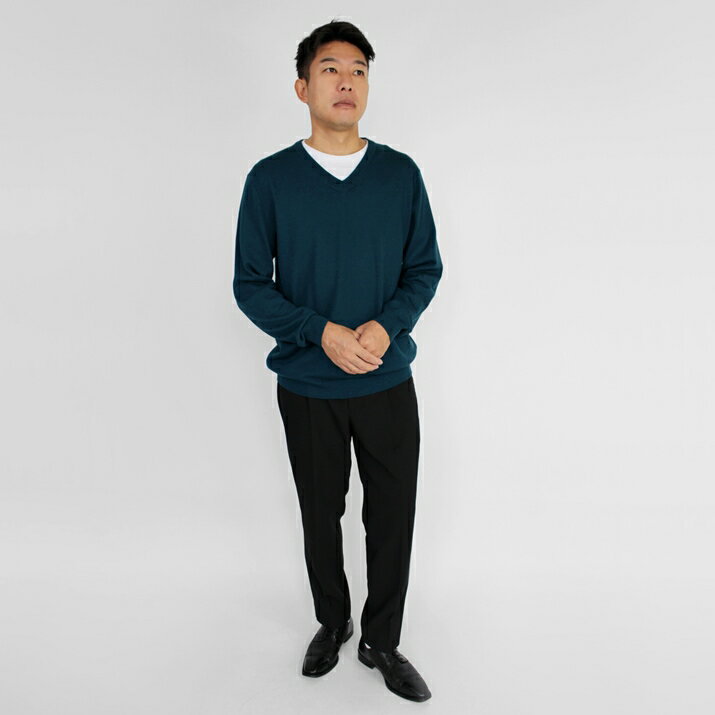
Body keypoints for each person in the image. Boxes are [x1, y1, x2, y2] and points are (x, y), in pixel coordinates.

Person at [232, 20, 443, 703]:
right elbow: (249, 284)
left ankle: (382, 640)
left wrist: (386, 325)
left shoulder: (400, 175)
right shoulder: (270, 180)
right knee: (320, 511)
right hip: (307, 383)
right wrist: (318, 332)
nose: (346, 81)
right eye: (330, 69)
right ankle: (333, 621)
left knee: (393, 514)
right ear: (303, 87)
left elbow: (424, 268)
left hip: (387, 379)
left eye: (358, 70)